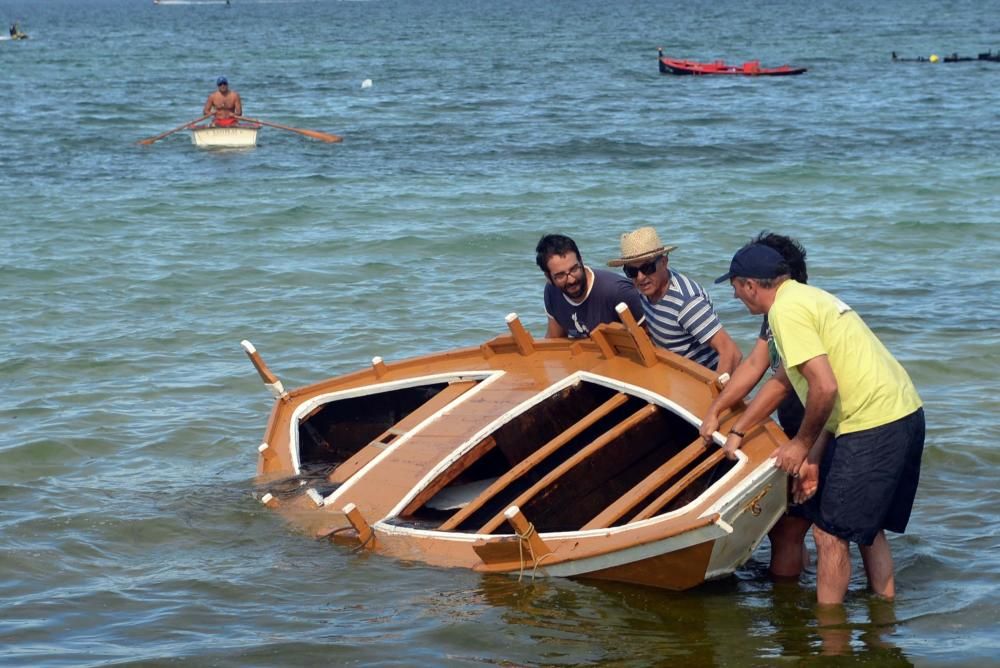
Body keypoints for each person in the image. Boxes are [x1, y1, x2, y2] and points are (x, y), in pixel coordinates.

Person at [715, 242, 925, 605]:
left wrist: (798, 445)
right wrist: (812, 456)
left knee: (828, 535)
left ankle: (829, 641)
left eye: (734, 287)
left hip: (872, 424)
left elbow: (825, 388)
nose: (736, 297)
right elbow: (829, 389)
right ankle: (885, 624)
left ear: (749, 284)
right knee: (868, 530)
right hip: (902, 412)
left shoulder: (785, 312)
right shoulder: (808, 297)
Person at [698, 232, 812, 578]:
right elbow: (752, 366)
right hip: (794, 426)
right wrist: (716, 410)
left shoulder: (792, 313)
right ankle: (799, 587)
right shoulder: (774, 316)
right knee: (790, 527)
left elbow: (780, 383)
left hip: (814, 427)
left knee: (790, 529)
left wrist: (739, 428)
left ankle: (788, 608)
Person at [607, 227, 741, 374]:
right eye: (631, 271)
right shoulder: (647, 289)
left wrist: (718, 394)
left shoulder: (687, 303)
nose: (640, 277)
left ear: (664, 262)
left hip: (703, 379)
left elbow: (731, 352)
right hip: (675, 373)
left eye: (648, 267)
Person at [535, 233, 645, 339]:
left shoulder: (619, 292)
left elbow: (649, 340)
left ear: (581, 261)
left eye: (574, 269)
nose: (571, 280)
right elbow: (555, 340)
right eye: (560, 275)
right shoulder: (552, 292)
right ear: (549, 278)